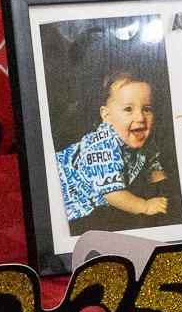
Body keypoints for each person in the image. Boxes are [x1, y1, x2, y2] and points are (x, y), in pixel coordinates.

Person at [56, 70, 174, 233]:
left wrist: (166, 189)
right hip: (64, 192)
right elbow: (112, 194)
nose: (140, 117)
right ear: (107, 116)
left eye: (147, 109)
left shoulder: (142, 138)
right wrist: (145, 206)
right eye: (128, 109)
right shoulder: (101, 147)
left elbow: (153, 168)